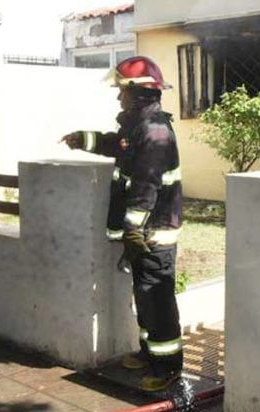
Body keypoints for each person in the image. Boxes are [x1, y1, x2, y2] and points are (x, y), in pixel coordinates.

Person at [63, 56, 183, 392]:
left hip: (153, 234)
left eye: (123, 93)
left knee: (157, 299)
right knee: (144, 296)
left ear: (139, 93)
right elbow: (118, 146)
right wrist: (83, 139)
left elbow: (146, 185)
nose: (119, 98)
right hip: (142, 234)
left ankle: (168, 365)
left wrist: (132, 228)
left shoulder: (155, 132)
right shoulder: (138, 128)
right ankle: (150, 353)